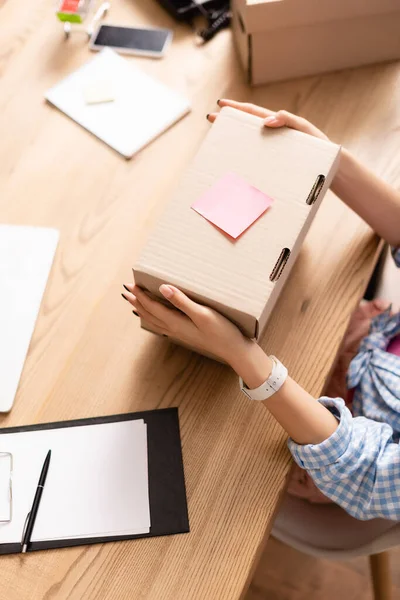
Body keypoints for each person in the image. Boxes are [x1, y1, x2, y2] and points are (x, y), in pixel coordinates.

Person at [121, 99, 400, 522]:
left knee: (197, 466)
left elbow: (367, 473)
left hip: (327, 439)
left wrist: (245, 358)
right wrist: (326, 155)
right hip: (368, 342)